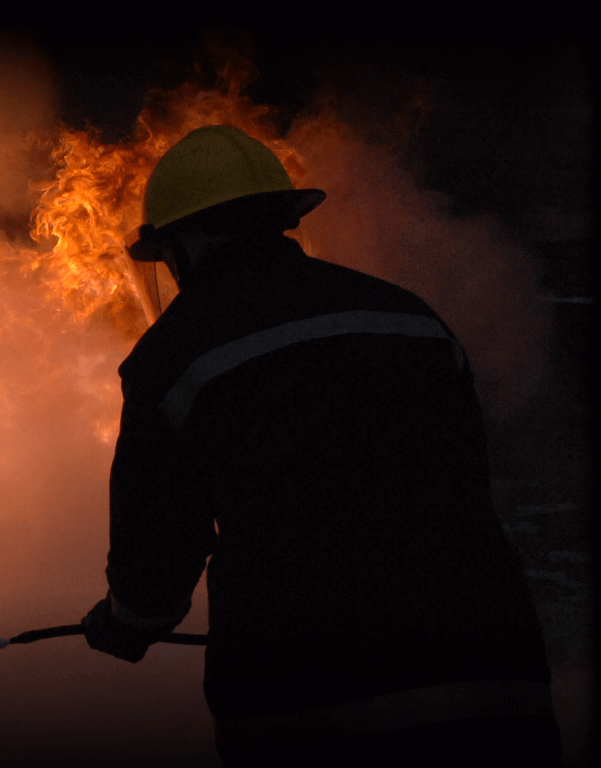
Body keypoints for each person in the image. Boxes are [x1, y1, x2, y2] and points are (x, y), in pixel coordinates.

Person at [80, 125, 560, 766]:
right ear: (282, 221)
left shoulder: (175, 353)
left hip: (314, 705)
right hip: (496, 683)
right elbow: (470, 481)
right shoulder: (411, 319)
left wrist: (125, 623)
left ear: (188, 246)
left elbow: (157, 548)